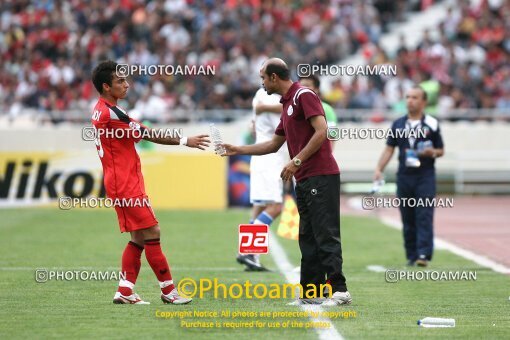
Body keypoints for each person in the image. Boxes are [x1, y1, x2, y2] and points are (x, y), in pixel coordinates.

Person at [221, 58, 351, 306]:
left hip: (320, 174)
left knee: (325, 234)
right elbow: (273, 144)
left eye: (263, 78)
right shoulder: (287, 103)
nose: (261, 83)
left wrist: (297, 161)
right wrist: (237, 149)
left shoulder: (303, 95)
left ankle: (340, 290)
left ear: (273, 77)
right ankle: (312, 293)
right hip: (303, 177)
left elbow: (321, 131)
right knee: (307, 236)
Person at [91, 60, 210, 304]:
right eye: (120, 81)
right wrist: (185, 140)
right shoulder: (111, 113)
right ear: (105, 86)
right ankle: (169, 291)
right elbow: (147, 133)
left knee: (138, 238)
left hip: (120, 182)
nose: (126, 84)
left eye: (125, 79)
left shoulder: (102, 109)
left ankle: (125, 291)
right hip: (125, 184)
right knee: (152, 231)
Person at [373, 86, 444, 267]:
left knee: (424, 214)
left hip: (425, 175)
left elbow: (441, 150)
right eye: (408, 97)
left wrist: (432, 152)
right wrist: (379, 168)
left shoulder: (432, 123)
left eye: (415, 97)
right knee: (407, 216)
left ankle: (423, 254)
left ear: (423, 102)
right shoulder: (398, 124)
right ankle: (411, 255)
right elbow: (389, 148)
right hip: (404, 176)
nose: (410, 100)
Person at [236, 87, 288, 271]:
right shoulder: (270, 95)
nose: (263, 82)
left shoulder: (264, 93)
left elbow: (257, 116)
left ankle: (250, 255)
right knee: (275, 207)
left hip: (264, 156)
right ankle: (248, 252)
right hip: (269, 157)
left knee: (259, 207)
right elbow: (264, 108)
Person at [298, 75, 338, 149]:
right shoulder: (295, 109)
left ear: (316, 89)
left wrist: (328, 155)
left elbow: (332, 135)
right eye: (301, 86)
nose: (303, 89)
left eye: (307, 86)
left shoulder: (327, 109)